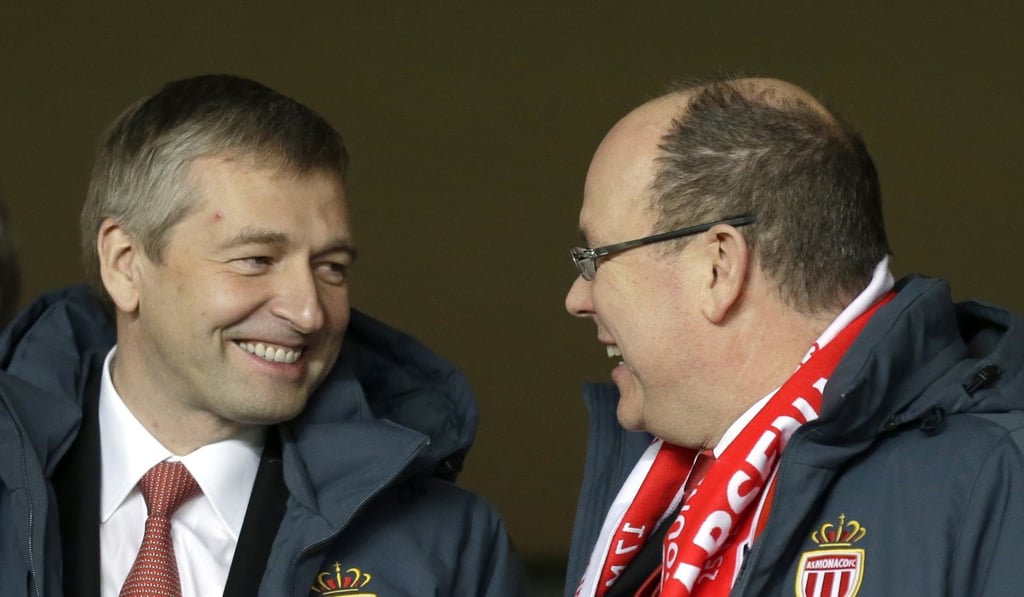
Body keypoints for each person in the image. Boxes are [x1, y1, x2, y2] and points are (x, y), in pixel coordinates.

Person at [0, 74, 526, 597]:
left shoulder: (450, 546)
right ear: (124, 264)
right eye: (256, 260)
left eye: (331, 267)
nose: (308, 311)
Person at [563, 77, 1024, 596]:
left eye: (595, 258)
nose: (577, 299)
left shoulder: (997, 482)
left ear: (719, 267)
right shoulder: (650, 496)